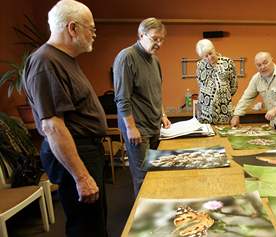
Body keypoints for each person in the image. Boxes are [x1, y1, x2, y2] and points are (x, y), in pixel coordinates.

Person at [22, 0, 107, 236]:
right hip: (74, 151)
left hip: (86, 149)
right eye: (91, 28)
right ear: (72, 28)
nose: (94, 34)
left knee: (95, 224)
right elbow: (52, 126)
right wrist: (81, 177)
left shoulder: (63, 59)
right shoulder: (45, 62)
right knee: (86, 228)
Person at [113, 18, 171, 196]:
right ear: (141, 35)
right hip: (138, 128)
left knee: (155, 173)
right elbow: (122, 98)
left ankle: (154, 208)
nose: (159, 43)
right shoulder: (126, 57)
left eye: (162, 39)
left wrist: (162, 114)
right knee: (143, 176)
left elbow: (156, 91)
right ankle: (142, 217)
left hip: (154, 125)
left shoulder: (155, 60)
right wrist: (130, 128)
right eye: (155, 38)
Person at [231, 52, 276, 132]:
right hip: (274, 125)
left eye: (265, 63)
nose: (262, 67)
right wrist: (236, 115)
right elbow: (246, 98)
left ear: (272, 60)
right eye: (259, 65)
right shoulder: (256, 78)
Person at [195, 39, 238, 124]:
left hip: (224, 107)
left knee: (224, 134)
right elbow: (200, 83)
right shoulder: (200, 65)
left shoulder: (228, 62)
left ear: (214, 49)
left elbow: (234, 85)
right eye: (206, 56)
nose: (209, 57)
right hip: (205, 110)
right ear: (202, 57)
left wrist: (223, 95)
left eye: (210, 53)